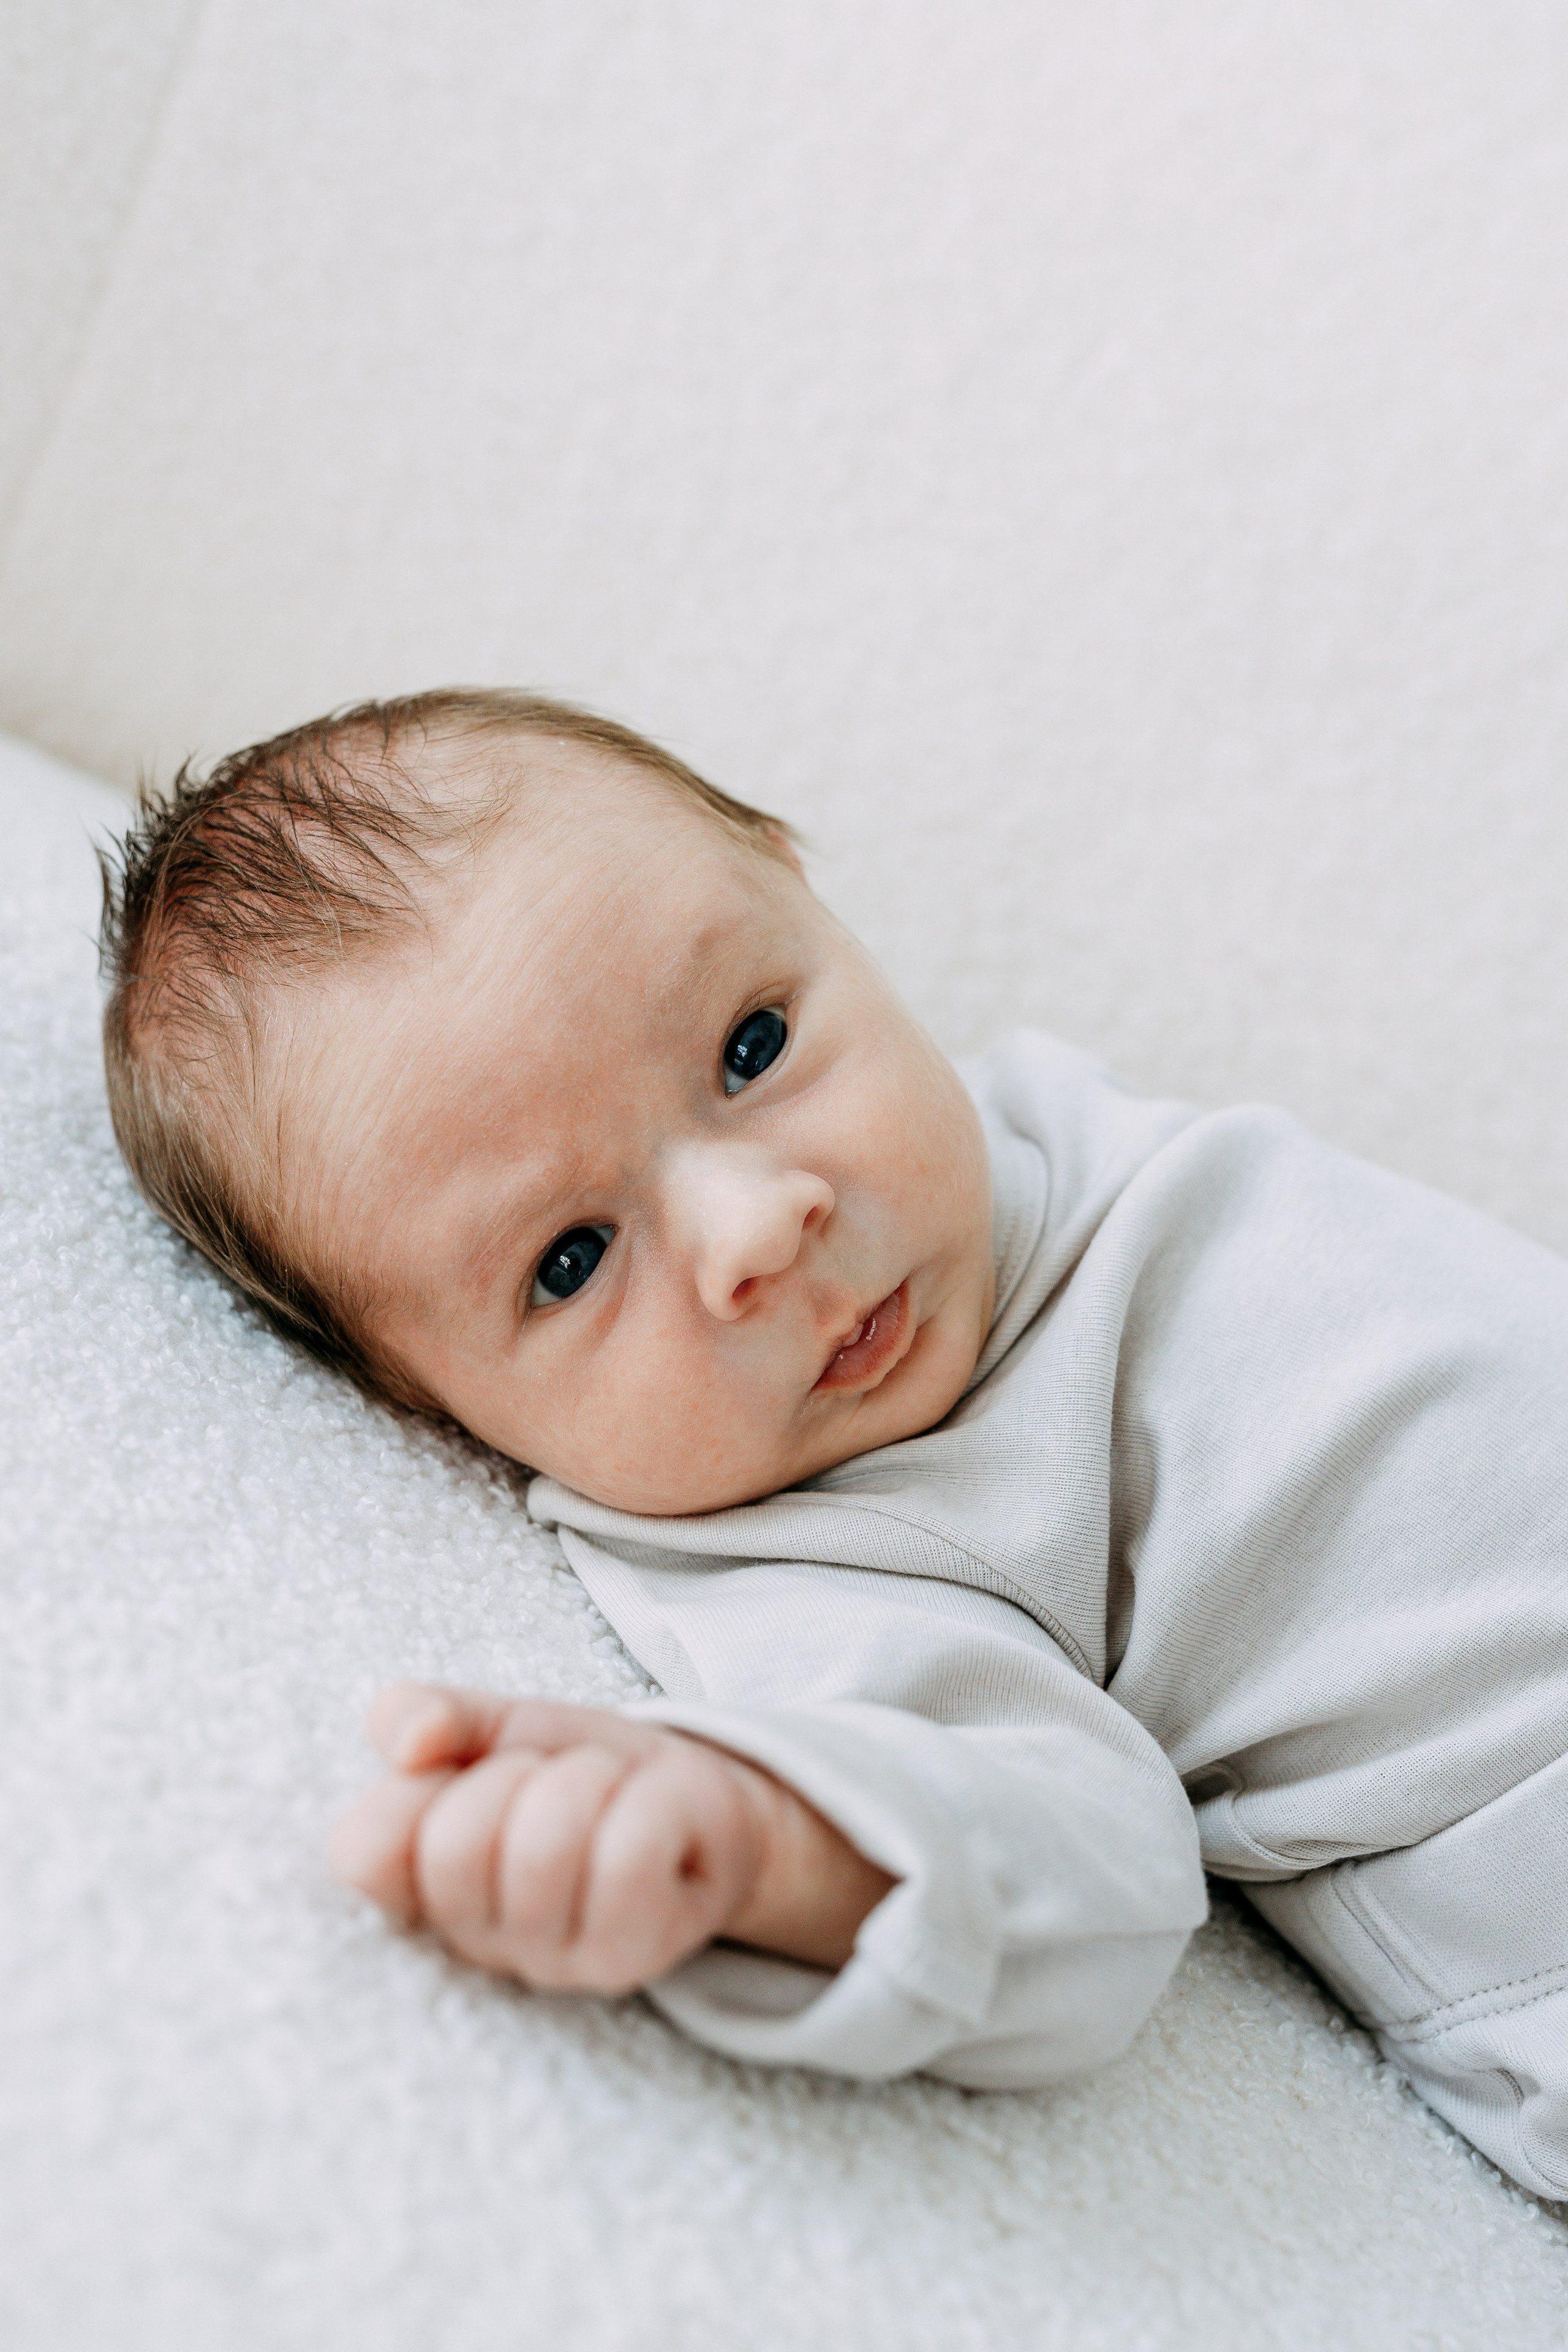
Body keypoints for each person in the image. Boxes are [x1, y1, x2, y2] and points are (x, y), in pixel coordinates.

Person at [100, 688, 1568, 2195]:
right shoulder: (797, 1534)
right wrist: (758, 1838)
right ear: (424, 1404)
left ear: (797, 883)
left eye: (748, 1046)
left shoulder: (1036, 1132)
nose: (754, 1226)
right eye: (569, 1260)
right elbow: (1080, 1871)